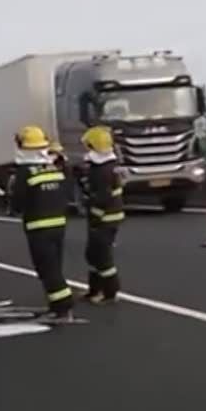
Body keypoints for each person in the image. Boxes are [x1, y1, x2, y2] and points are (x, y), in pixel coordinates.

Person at [8, 125, 74, 319]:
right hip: (58, 226)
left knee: (46, 268)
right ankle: (57, 305)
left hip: (38, 228)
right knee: (54, 266)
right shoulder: (53, 167)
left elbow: (19, 204)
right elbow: (66, 192)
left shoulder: (24, 173)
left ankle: (63, 306)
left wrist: (12, 202)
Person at [80, 125, 125, 304]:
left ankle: (110, 292)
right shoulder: (108, 166)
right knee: (92, 254)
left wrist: (95, 216)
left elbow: (103, 198)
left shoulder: (102, 170)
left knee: (101, 256)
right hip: (109, 216)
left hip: (105, 218)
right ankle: (94, 290)